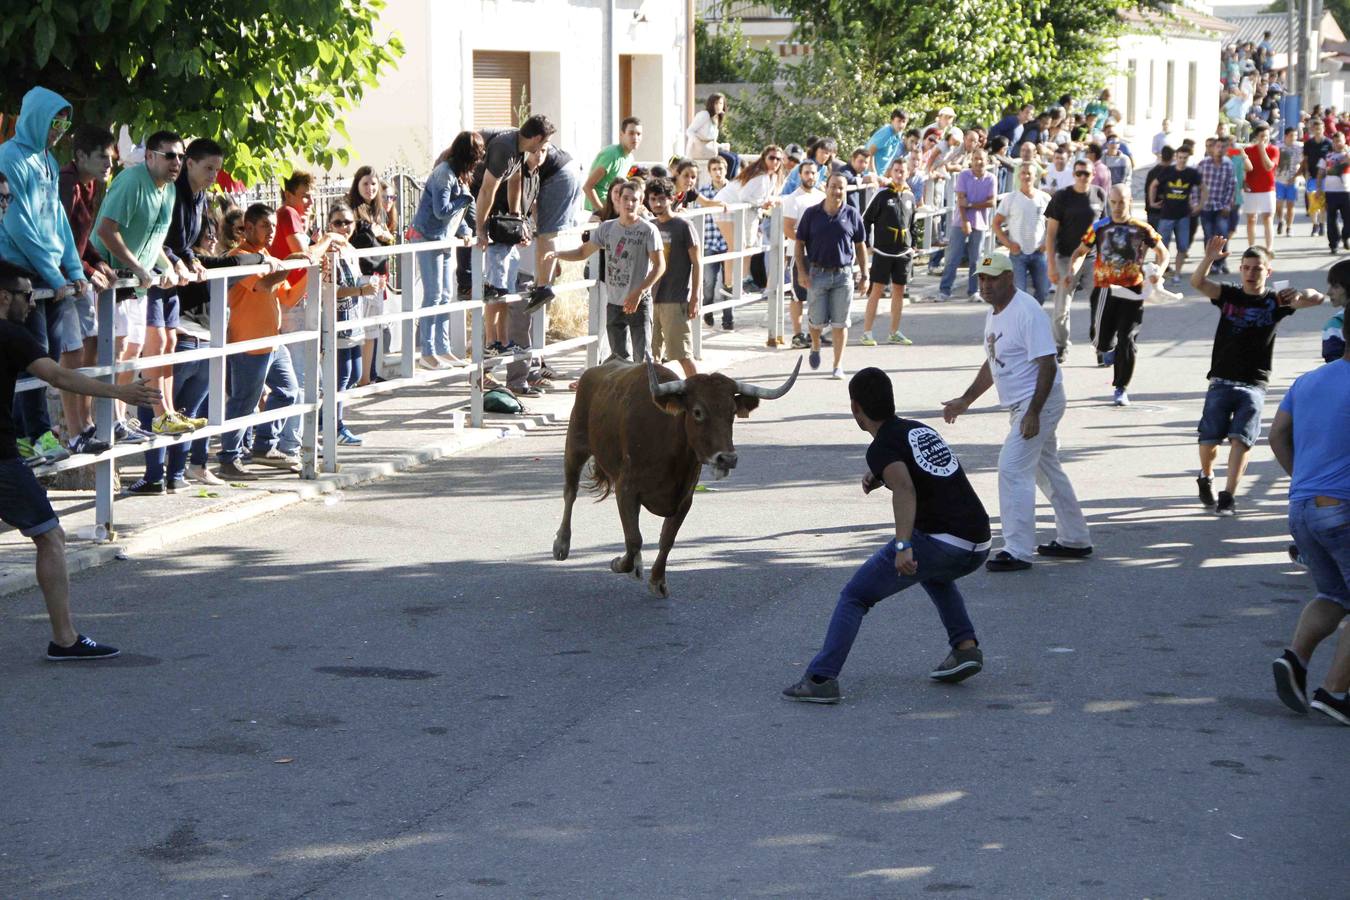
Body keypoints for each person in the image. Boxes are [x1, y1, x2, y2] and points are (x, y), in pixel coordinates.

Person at [781, 367, 991, 704]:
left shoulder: (881, 448)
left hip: (943, 543)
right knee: (933, 574)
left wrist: (903, 545)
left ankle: (821, 678)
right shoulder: (919, 431)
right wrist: (880, 473)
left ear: (855, 408)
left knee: (855, 596)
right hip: (979, 542)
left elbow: (905, 487)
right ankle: (965, 648)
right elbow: (921, 472)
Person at [0, 270, 160, 659]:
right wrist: (119, 391)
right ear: (3, 297)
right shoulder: (10, 335)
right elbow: (58, 376)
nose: (31, 302)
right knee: (50, 536)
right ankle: (65, 640)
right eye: (24, 294)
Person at [942, 251, 1092, 572]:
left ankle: (1018, 549)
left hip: (1039, 401)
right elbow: (994, 359)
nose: (985, 285)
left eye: (992, 278)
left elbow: (1048, 364)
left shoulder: (1027, 311)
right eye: (981, 279)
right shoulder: (996, 312)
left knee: (1012, 468)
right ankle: (1075, 539)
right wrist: (966, 400)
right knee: (1045, 469)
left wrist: (1034, 412)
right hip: (1023, 404)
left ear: (1009, 277)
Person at [1188, 238, 1322, 515]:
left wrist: (1300, 293)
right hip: (1222, 379)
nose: (1251, 273)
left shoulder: (1277, 301)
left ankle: (1228, 496)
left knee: (1241, 439)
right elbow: (1198, 283)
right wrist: (1210, 258)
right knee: (1209, 440)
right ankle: (1206, 475)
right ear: (1240, 270)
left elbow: (1318, 298)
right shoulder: (1229, 294)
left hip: (1254, 383)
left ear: (1268, 272)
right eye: (1247, 268)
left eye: (1257, 269)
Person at [1268, 311, 1350, 726]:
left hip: (1302, 507)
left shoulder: (1309, 380)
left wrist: (1302, 477)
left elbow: (1275, 434)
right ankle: (1335, 694)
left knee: (1335, 595)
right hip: (1342, 509)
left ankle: (1294, 661)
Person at [0, 88, 89, 466]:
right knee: (30, 355)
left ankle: (28, 432)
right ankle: (34, 433)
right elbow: (19, 224)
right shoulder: (8, 158)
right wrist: (54, 275)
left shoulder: (48, 161)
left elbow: (58, 223)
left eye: (65, 124)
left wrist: (73, 268)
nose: (59, 131)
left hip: (49, 276)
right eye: (55, 122)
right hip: (20, 276)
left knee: (47, 355)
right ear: (36, 117)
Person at [90, 131, 188, 438]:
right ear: (149, 157)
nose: (176, 162)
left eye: (180, 156)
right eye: (169, 155)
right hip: (109, 282)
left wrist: (169, 266)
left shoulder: (170, 191)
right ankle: (103, 423)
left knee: (132, 353)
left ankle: (120, 421)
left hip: (137, 284)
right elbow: (106, 230)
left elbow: (156, 238)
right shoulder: (132, 181)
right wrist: (136, 267)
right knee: (114, 353)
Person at [215, 204, 307, 480]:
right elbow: (264, 285)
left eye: (274, 227)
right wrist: (293, 263)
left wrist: (308, 273)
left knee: (289, 391)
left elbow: (288, 298)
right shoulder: (239, 257)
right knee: (244, 402)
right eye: (266, 226)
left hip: (273, 342)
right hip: (248, 343)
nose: (271, 232)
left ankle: (264, 445)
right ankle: (229, 459)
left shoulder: (266, 256)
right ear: (249, 227)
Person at [544, 180, 663, 362]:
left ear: (641, 204)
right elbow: (583, 251)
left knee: (643, 357)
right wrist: (558, 254)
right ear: (618, 200)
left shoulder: (648, 230)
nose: (629, 204)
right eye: (626, 198)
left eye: (634, 200)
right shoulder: (607, 227)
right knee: (618, 357)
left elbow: (660, 266)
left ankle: (645, 389)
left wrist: (639, 292)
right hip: (614, 302)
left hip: (638, 303)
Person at [1071, 184, 1168, 404]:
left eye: (1121, 202)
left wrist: (1159, 272)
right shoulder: (1099, 227)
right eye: (1113, 202)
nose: (1117, 207)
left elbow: (1163, 253)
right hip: (1105, 289)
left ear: (1130, 202)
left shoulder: (1142, 228)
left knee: (1128, 338)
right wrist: (1072, 271)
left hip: (1133, 290)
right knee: (1101, 342)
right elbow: (1080, 252)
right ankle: (1109, 350)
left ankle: (1121, 387)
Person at [56, 124, 116, 455]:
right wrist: (88, 269)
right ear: (80, 156)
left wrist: (97, 262)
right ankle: (74, 428)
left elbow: (82, 237)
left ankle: (86, 420)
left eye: (111, 158)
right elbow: (61, 234)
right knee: (72, 352)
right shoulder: (67, 182)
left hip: (79, 273)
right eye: (101, 158)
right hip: (62, 277)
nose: (108, 165)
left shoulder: (90, 185)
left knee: (92, 344)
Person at [408, 131, 481, 369]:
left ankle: (443, 348)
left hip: (443, 238)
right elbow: (441, 210)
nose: (478, 162)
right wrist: (465, 200)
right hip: (428, 238)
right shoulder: (444, 175)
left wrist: (465, 230)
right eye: (476, 157)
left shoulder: (457, 176)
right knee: (433, 295)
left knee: (446, 294)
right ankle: (427, 353)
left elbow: (454, 216)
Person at [794, 172, 867, 379]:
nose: (837, 191)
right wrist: (802, 272)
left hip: (843, 276)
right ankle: (815, 345)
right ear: (825, 188)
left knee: (840, 322)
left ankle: (837, 365)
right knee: (816, 321)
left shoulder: (852, 214)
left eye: (841, 188)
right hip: (817, 274)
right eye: (833, 186)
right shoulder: (811, 214)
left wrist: (865, 274)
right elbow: (799, 244)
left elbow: (860, 245)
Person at [1045, 158, 1107, 362]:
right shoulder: (1062, 197)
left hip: (1092, 258)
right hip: (1065, 257)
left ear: (1092, 175)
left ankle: (1101, 346)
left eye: (1086, 174)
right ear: (1073, 175)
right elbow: (1051, 233)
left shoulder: (1099, 194)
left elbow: (1106, 229)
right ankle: (1061, 345)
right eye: (1078, 173)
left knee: (1099, 303)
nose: (1082, 177)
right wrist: (1051, 264)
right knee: (1062, 306)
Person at [645, 178, 701, 378]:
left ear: (671, 199)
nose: (657, 204)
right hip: (651, 299)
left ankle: (698, 392)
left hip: (676, 299)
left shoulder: (683, 226)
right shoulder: (649, 227)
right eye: (653, 199)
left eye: (662, 199)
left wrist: (694, 297)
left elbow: (697, 263)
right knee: (651, 355)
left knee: (683, 354)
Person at [860, 157, 917, 346]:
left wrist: (913, 244)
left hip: (903, 252)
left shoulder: (910, 196)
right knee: (876, 290)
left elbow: (912, 223)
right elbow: (866, 219)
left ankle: (894, 331)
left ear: (907, 173)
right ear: (891, 173)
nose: (900, 174)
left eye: (903, 171)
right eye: (897, 171)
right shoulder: (882, 195)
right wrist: (868, 244)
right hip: (883, 252)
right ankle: (867, 332)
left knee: (899, 291)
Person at [347, 166, 396, 384]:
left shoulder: (379, 211)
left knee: (373, 329)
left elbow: (386, 239)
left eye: (374, 183)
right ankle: (359, 377)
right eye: (365, 183)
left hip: (378, 275)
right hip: (360, 276)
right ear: (357, 184)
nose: (370, 188)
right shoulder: (351, 211)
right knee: (360, 330)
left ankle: (368, 376)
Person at [527, 142, 586, 314]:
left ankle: (544, 285)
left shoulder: (516, 152)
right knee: (546, 233)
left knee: (546, 233)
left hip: (562, 175)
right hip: (571, 170)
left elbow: (531, 201)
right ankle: (549, 272)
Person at [938, 149, 996, 303]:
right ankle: (944, 290)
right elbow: (960, 200)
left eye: (981, 159)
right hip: (960, 222)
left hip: (981, 223)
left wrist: (971, 204)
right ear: (971, 160)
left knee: (977, 259)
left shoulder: (991, 178)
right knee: (953, 257)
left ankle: (974, 290)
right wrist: (965, 221)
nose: (978, 162)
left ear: (987, 161)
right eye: (975, 158)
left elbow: (992, 202)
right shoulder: (964, 175)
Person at [992, 162, 1051, 305]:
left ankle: (1035, 312)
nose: (1026, 176)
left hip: (1039, 252)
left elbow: (1053, 224)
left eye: (1029, 173)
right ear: (1019, 176)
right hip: (1018, 254)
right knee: (1020, 292)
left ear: (1035, 176)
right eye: (1023, 173)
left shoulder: (1045, 198)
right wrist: (1008, 244)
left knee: (1043, 290)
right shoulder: (1010, 199)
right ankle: (1023, 319)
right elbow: (996, 224)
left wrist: (1047, 243)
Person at [781, 158, 825, 350]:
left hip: (820, 255)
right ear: (800, 175)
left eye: (813, 172)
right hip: (799, 254)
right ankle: (798, 334)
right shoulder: (793, 199)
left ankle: (815, 333)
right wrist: (808, 241)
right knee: (798, 295)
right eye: (806, 172)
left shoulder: (822, 197)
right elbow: (788, 229)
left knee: (819, 294)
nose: (810, 176)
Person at [1152, 144, 1201, 287]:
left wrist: (1200, 205)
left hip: (1183, 216)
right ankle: (1158, 274)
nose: (1182, 160)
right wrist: (1153, 202)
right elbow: (1153, 185)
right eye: (1180, 157)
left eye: (1185, 158)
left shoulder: (1192, 173)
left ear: (1188, 158)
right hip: (1166, 215)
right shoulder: (1168, 171)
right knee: (1160, 246)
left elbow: (1203, 188)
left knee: (1182, 246)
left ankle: (1177, 274)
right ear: (1176, 157)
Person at [697, 155, 735, 331]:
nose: (718, 173)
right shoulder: (703, 192)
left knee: (729, 282)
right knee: (709, 281)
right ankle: (708, 309)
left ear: (725, 170)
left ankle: (728, 318)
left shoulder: (733, 190)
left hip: (728, 243)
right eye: (714, 169)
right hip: (709, 242)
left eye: (720, 169)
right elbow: (698, 217)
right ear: (709, 172)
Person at [583, 117, 643, 213]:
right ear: (621, 135)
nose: (635, 138)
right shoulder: (611, 154)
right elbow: (588, 187)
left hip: (613, 211)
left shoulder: (630, 158)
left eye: (639, 134)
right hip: (597, 213)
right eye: (631, 133)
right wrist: (602, 212)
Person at [1197, 137, 1237, 273]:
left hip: (1221, 206)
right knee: (1209, 235)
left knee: (1222, 234)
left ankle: (1221, 262)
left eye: (1223, 147)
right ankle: (1210, 264)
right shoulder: (1203, 164)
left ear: (1226, 149)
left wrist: (1227, 205)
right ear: (1213, 148)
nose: (1220, 150)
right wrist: (1196, 204)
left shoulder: (1228, 164)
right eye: (1217, 147)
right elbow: (1196, 185)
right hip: (1206, 206)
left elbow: (1232, 186)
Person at [1240, 122, 1279, 250]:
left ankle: (1269, 248)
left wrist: (1262, 150)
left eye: (1267, 136)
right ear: (1257, 136)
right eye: (1262, 136)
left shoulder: (1273, 149)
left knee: (1267, 218)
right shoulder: (1248, 150)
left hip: (1268, 189)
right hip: (1251, 189)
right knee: (1251, 219)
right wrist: (1243, 182)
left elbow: (1269, 166)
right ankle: (1251, 247)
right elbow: (1244, 169)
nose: (1265, 138)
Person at [685, 92, 738, 177]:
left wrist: (721, 146)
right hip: (699, 150)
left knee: (736, 157)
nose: (718, 106)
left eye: (721, 103)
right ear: (711, 104)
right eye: (716, 103)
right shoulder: (704, 115)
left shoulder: (717, 118)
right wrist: (698, 142)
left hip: (710, 149)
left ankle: (732, 183)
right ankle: (727, 185)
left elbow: (711, 140)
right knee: (730, 159)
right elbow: (689, 131)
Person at [1301, 117, 1332, 237]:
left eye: (1320, 128)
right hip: (1312, 176)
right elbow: (1306, 160)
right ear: (1312, 129)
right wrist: (1306, 172)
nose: (1318, 131)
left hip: (1325, 178)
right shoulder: (1308, 143)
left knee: (1323, 203)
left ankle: (1322, 224)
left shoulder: (1328, 143)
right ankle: (1315, 225)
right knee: (1313, 202)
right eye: (1315, 128)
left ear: (1323, 129)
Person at [1274, 126, 1303, 237]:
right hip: (1279, 179)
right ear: (1285, 136)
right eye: (1291, 135)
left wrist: (1296, 176)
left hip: (1293, 180)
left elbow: (1303, 162)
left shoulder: (1299, 147)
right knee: (1279, 205)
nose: (1293, 138)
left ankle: (1289, 227)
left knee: (1291, 205)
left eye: (1295, 136)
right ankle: (1281, 220)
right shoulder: (1278, 146)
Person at [865, 108, 909, 178]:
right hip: (868, 174)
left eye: (903, 122)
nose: (901, 124)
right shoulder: (887, 133)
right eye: (899, 121)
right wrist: (873, 173)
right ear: (892, 120)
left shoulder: (898, 133)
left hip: (880, 175)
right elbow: (870, 152)